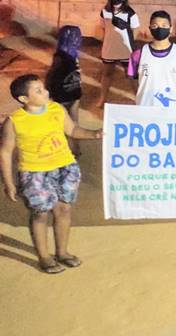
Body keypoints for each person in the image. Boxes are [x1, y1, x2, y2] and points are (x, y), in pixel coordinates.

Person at [1, 75, 102, 274]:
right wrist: (9, 183)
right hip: (34, 173)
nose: (45, 92)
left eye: (44, 88)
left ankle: (62, 252)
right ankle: (44, 257)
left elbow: (72, 130)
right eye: (38, 91)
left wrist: (94, 134)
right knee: (40, 214)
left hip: (65, 167)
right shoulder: (14, 121)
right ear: (24, 99)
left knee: (63, 210)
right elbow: (5, 152)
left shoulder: (57, 109)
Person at [127, 11, 176, 108]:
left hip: (174, 108)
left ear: (170, 29)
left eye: (164, 25)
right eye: (155, 26)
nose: (160, 29)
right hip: (146, 107)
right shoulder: (138, 55)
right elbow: (133, 80)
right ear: (150, 28)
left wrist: (170, 94)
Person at [96, 0, 139, 107]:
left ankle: (139, 99)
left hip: (125, 50)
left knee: (131, 75)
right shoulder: (105, 11)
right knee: (106, 74)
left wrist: (130, 46)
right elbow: (104, 30)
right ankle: (102, 99)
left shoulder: (130, 13)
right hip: (109, 50)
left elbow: (135, 31)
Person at [45, 26, 83, 155]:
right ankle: (74, 150)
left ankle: (72, 150)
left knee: (67, 124)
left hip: (65, 94)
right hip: (71, 93)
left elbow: (52, 76)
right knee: (71, 124)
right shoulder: (68, 56)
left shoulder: (62, 56)